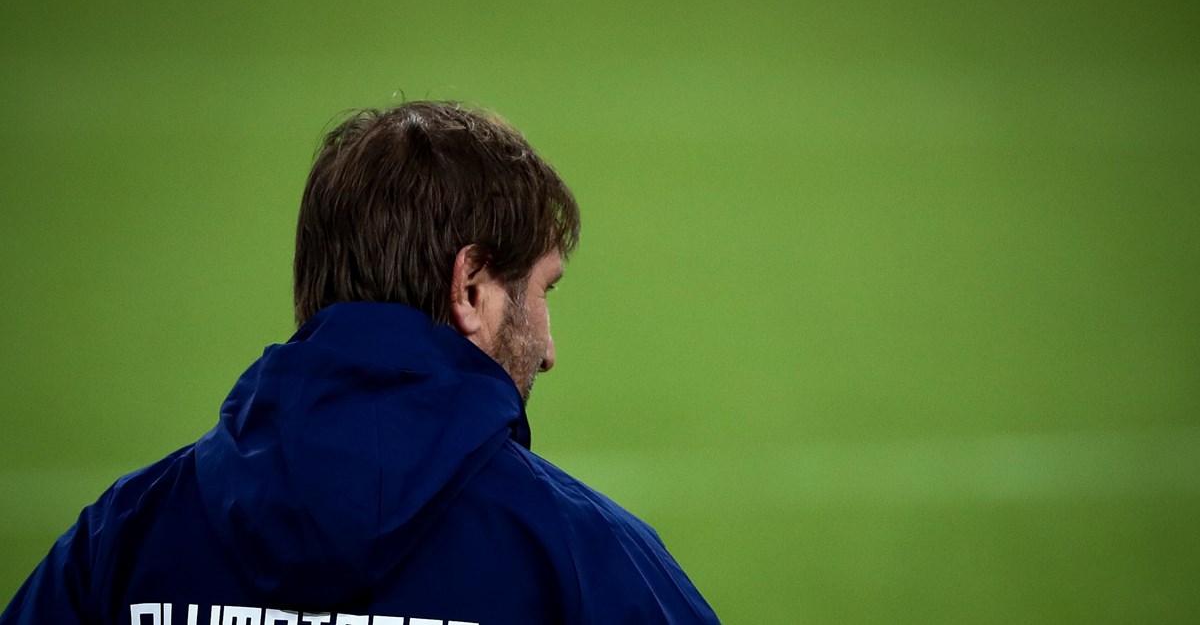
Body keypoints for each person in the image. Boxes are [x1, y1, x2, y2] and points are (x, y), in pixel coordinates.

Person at [0, 101, 719, 624]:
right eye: (541, 291)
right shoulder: (588, 560)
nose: (550, 349)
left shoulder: (122, 541)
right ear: (471, 289)